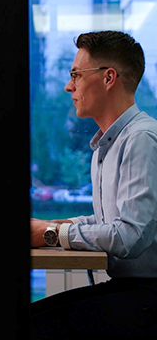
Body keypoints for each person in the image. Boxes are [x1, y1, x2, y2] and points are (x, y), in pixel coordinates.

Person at [30, 31, 157, 338]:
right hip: (131, 289)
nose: (68, 86)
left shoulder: (141, 140)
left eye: (76, 74)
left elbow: (128, 235)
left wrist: (51, 234)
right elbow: (109, 223)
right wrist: (55, 224)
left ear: (108, 77)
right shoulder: (107, 144)